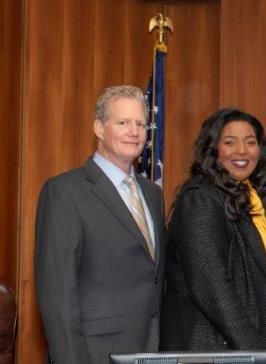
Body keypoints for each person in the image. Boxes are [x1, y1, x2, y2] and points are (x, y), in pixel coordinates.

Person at [35, 85, 165, 363]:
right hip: (93, 354)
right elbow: (57, 293)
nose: (134, 132)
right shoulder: (64, 191)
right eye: (123, 122)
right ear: (98, 128)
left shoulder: (153, 194)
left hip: (149, 350)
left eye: (140, 124)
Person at [160, 108, 266, 351]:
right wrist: (254, 351)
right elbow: (211, 286)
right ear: (213, 149)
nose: (242, 151)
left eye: (251, 142)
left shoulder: (257, 199)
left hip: (253, 345)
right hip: (215, 348)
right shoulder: (200, 198)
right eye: (230, 142)